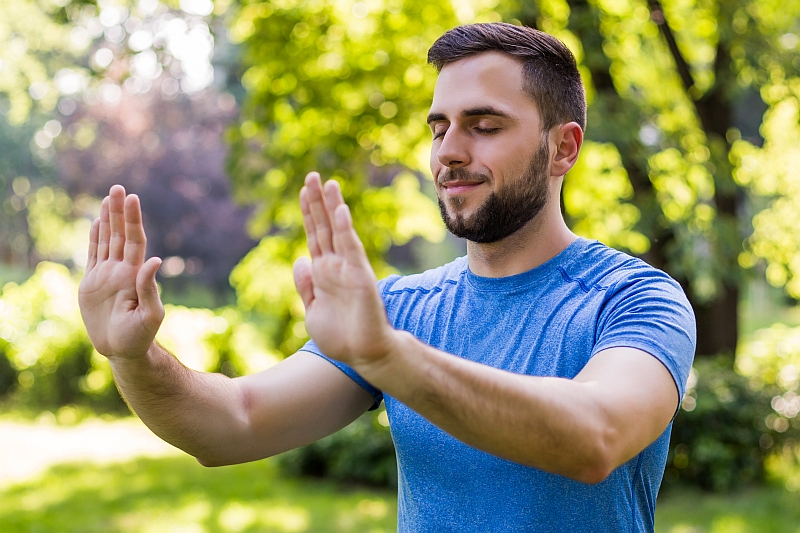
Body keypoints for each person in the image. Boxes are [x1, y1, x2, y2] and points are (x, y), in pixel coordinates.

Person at [79, 22, 695, 532]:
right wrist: (135, 357)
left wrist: (387, 357)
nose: (450, 150)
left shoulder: (633, 299)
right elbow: (232, 425)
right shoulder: (400, 310)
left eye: (485, 126)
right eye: (439, 127)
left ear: (563, 148)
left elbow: (595, 437)